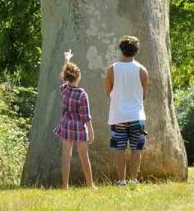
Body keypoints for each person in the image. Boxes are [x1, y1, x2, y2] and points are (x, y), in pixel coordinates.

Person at [105, 35, 148, 186]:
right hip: (137, 115)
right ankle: (133, 180)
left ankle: (121, 181)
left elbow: (108, 92)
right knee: (137, 148)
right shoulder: (142, 70)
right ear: (136, 50)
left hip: (118, 115)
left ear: (121, 49)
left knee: (119, 149)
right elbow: (144, 95)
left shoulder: (112, 69)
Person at [54, 49, 96, 189]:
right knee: (84, 157)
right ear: (78, 76)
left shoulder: (64, 89)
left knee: (66, 157)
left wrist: (66, 60)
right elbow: (86, 116)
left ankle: (65, 185)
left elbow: (62, 77)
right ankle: (90, 184)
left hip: (66, 124)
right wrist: (91, 131)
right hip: (78, 126)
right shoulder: (82, 94)